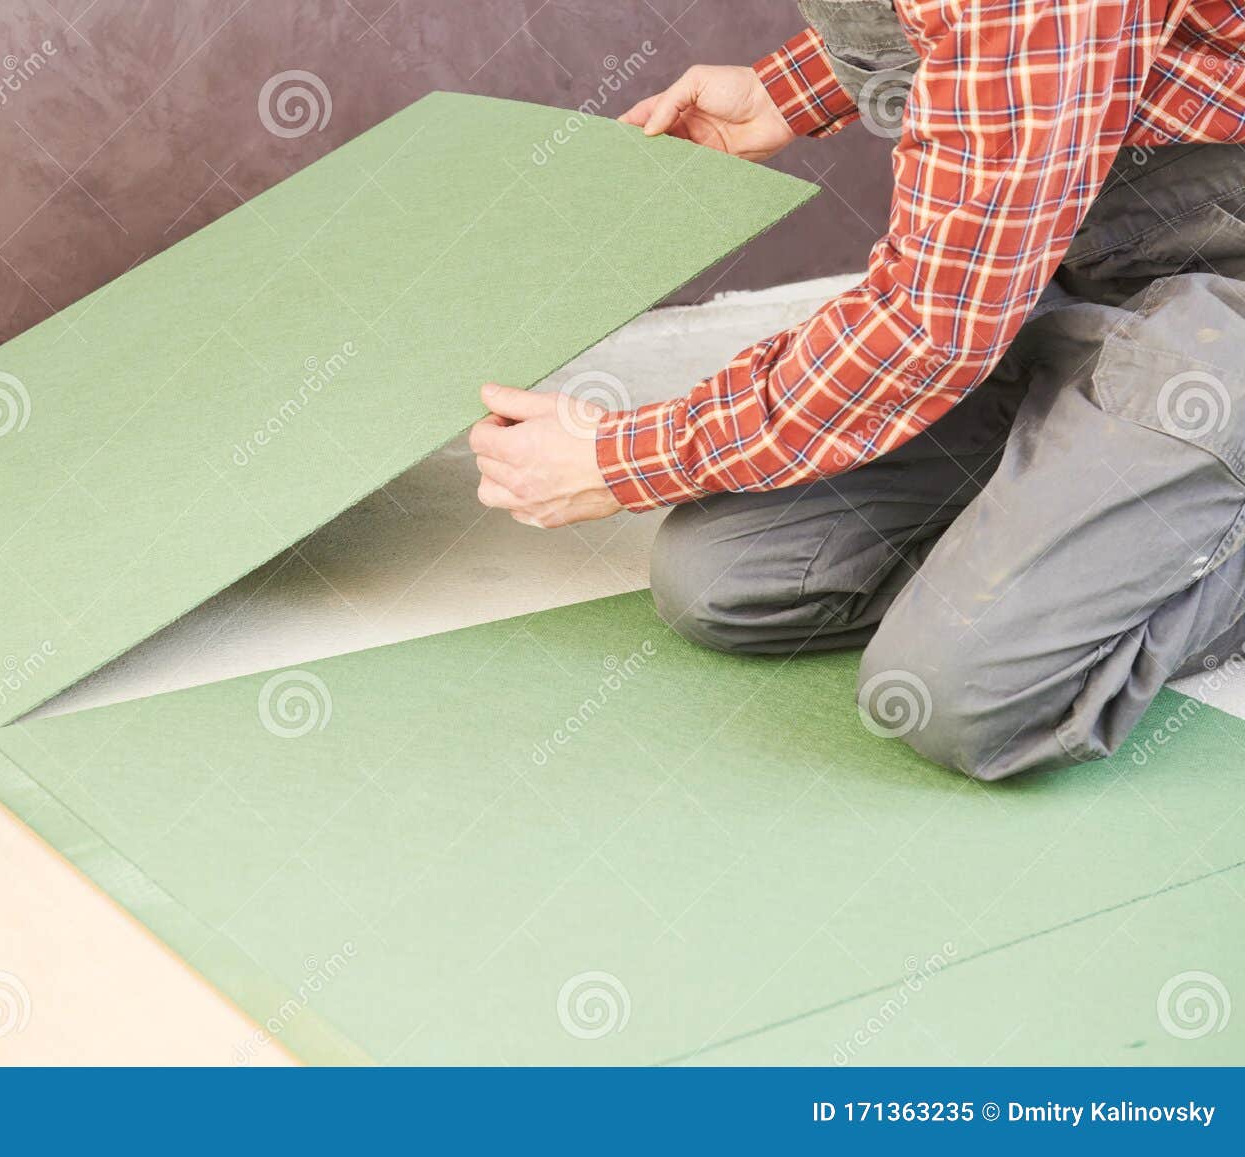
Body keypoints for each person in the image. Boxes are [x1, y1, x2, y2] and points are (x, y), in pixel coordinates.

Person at [470, 1, 1245, 779]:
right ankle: (1107, 527)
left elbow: (929, 325)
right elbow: (1016, 48)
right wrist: (791, 89)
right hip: (1091, 276)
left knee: (962, 690)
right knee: (728, 576)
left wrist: (623, 457)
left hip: (1219, 308)